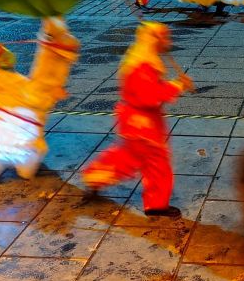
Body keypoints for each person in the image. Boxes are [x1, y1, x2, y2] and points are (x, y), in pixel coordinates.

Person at [81, 22, 194, 217]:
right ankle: (156, 205)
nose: (168, 41)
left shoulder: (141, 60)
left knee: (128, 156)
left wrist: (174, 85)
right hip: (144, 125)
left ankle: (95, 176)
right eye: (165, 37)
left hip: (136, 122)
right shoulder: (143, 66)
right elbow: (148, 97)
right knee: (157, 164)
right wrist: (176, 86)